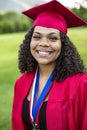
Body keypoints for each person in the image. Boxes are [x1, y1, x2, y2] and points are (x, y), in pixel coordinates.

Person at [12, 0, 87, 130]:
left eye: (53, 38)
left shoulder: (81, 85)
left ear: (63, 45)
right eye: (37, 37)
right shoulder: (21, 83)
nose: (43, 43)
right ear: (29, 41)